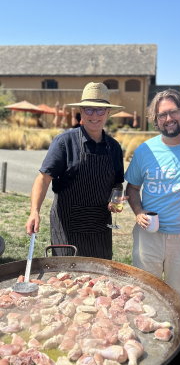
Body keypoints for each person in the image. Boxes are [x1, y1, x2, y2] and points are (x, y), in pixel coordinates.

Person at [26, 82, 124, 259]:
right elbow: (43, 178)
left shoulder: (114, 147)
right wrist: (35, 211)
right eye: (89, 109)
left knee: (99, 277)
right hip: (67, 223)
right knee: (67, 277)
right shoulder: (64, 142)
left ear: (108, 113)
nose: (94, 115)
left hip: (99, 224)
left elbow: (117, 183)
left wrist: (115, 198)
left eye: (100, 110)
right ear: (81, 111)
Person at [125, 89, 180, 294]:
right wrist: (138, 212)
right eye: (162, 115)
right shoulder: (145, 150)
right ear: (156, 119)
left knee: (179, 295)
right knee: (143, 292)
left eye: (173, 112)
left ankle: (177, 328)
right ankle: (146, 327)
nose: (169, 118)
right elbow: (132, 188)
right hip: (149, 234)